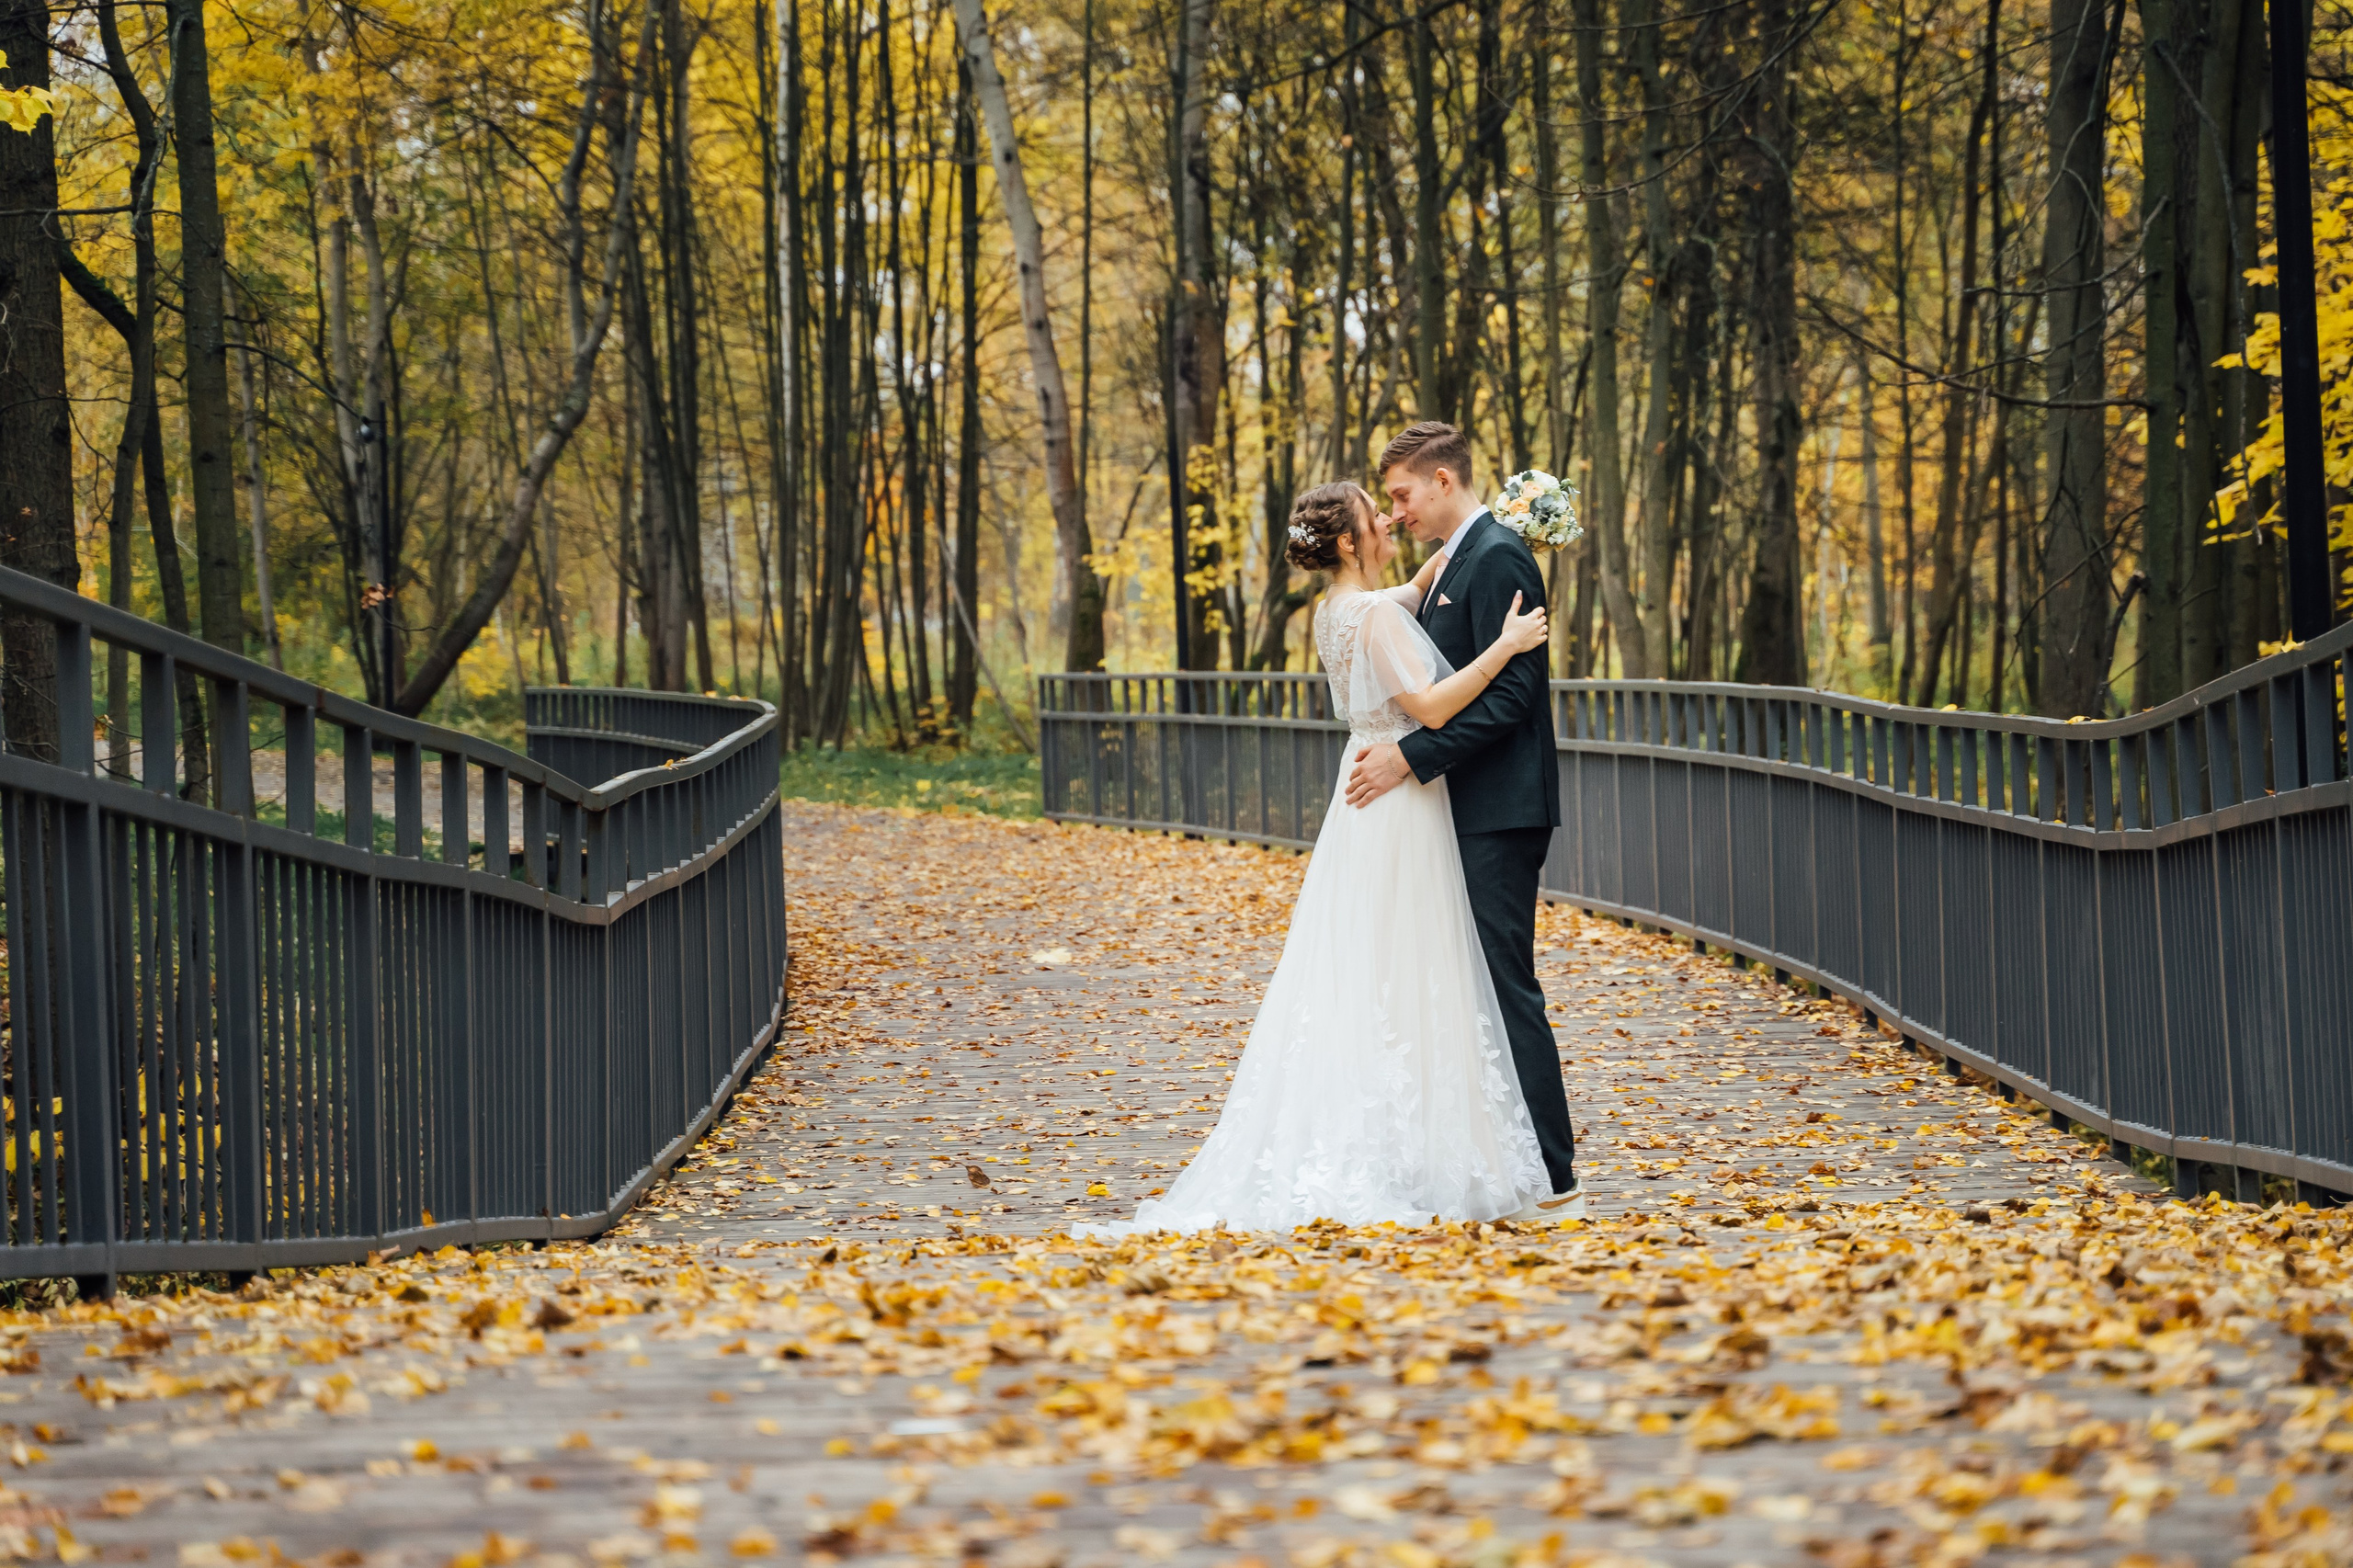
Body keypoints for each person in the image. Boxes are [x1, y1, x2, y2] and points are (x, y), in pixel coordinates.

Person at [1087, 479, 1554, 1234]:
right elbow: (1432, 708)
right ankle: (1412, 1148)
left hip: (1358, 796)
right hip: (1397, 799)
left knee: (1365, 965)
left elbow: (1399, 597)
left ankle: (1391, 1134)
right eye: (1376, 514)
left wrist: (1455, 549)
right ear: (1348, 541)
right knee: (1411, 962)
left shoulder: (1334, 611)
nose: (1385, 520)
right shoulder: (1372, 617)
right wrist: (1505, 646)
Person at [1344, 422, 1582, 1221]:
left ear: (1444, 482)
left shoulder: (1502, 557)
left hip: (1500, 808)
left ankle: (1553, 1170)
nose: (1398, 510)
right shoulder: (1457, 561)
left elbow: (1516, 699)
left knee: (1505, 984)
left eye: (1404, 494)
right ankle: (1498, 1154)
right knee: (1471, 986)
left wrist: (1411, 757)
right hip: (1466, 804)